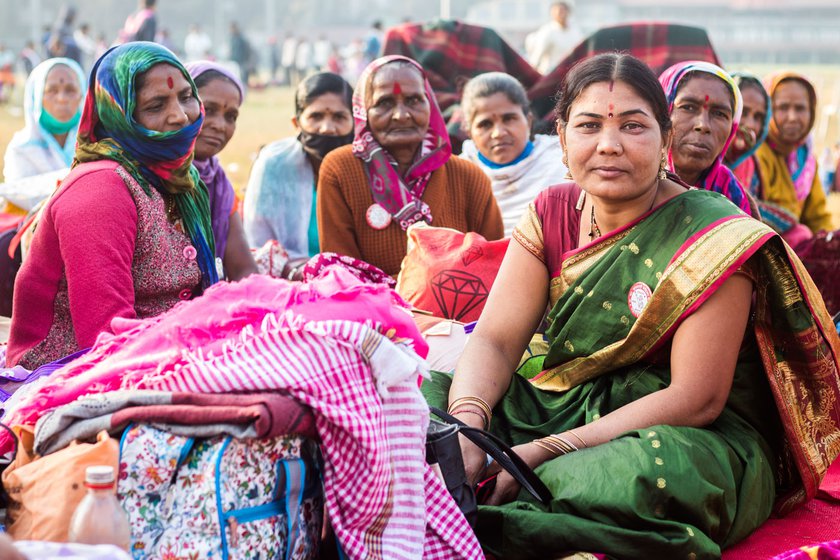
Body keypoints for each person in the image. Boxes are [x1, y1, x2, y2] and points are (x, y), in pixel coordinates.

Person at [422, 53, 840, 559]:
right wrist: (471, 427)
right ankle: (507, 490)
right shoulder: (550, 209)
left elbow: (696, 398)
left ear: (665, 141)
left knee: (650, 476)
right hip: (572, 399)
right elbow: (495, 339)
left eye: (633, 126)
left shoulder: (715, 234)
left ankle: (513, 507)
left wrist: (544, 450)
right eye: (589, 125)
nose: (608, 145)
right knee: (425, 397)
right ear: (562, 137)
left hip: (683, 431)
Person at [7, 42, 218, 370]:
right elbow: (106, 335)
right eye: (156, 104)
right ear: (118, 112)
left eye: (186, 97)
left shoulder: (181, 181)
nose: (180, 115)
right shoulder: (100, 190)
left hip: (163, 355)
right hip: (71, 370)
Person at [317, 55, 503, 277]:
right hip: (371, 309)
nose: (401, 115)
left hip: (456, 311)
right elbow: (342, 274)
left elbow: (493, 267)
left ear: (430, 105)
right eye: (384, 103)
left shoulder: (468, 177)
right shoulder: (340, 170)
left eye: (414, 100)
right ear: (364, 111)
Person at [244, 72, 354, 260]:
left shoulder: (366, 167)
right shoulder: (274, 163)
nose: (327, 127)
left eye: (339, 117)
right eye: (316, 116)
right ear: (296, 123)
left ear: (355, 123)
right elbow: (258, 243)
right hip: (284, 278)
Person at [459, 72, 567, 237]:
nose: (498, 133)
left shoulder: (562, 160)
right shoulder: (458, 175)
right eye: (485, 124)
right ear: (469, 132)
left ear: (528, 120)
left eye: (509, 118)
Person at [187, 61, 256, 281]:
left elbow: (243, 270)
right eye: (209, 109)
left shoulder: (219, 184)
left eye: (231, 117)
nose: (220, 125)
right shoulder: (148, 177)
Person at [659, 61, 754, 216]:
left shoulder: (732, 195)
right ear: (662, 113)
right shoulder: (634, 187)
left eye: (719, 114)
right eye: (688, 107)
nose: (703, 125)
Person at [753, 72, 834, 235]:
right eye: (783, 107)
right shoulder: (756, 154)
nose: (792, 117)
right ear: (767, 110)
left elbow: (817, 217)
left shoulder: (807, 160)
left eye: (800, 108)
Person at [3, 57, 85, 181]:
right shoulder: (22, 150)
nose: (62, 98)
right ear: (36, 97)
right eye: (52, 90)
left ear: (82, 96)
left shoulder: (97, 145)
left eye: (70, 90)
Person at [724, 72, 771, 197]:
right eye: (743, 112)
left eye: (758, 117)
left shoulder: (752, 166)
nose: (750, 124)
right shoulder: (700, 160)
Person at [525, 1, 582, 74]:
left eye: (562, 10)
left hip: (570, 73)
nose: (560, 13)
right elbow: (537, 56)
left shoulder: (575, 31)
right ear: (552, 13)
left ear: (568, 12)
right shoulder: (547, 31)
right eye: (557, 11)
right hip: (550, 75)